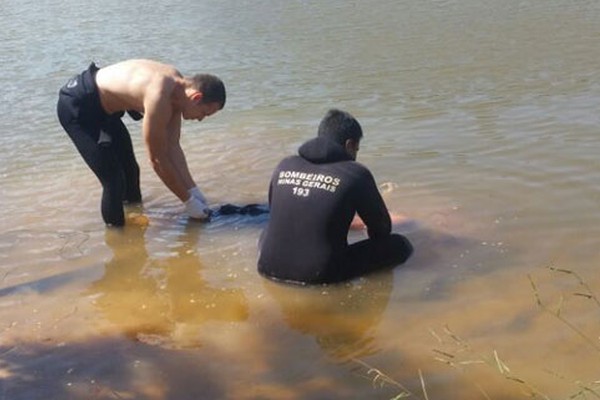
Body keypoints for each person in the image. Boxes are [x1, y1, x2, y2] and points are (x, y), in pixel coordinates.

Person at [57, 59, 226, 226]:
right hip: (79, 106)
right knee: (114, 180)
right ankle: (117, 236)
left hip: (106, 110)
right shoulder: (160, 96)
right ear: (196, 97)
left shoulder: (178, 94)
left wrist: (193, 191)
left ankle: (133, 226)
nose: (201, 119)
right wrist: (188, 201)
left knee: (131, 170)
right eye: (204, 113)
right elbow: (157, 160)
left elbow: (173, 146)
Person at [258, 109, 413, 284]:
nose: (355, 155)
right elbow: (381, 230)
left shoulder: (284, 165)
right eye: (357, 149)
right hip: (319, 275)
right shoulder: (355, 173)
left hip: (266, 267)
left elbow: (282, 215)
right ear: (349, 145)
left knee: (269, 231)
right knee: (400, 245)